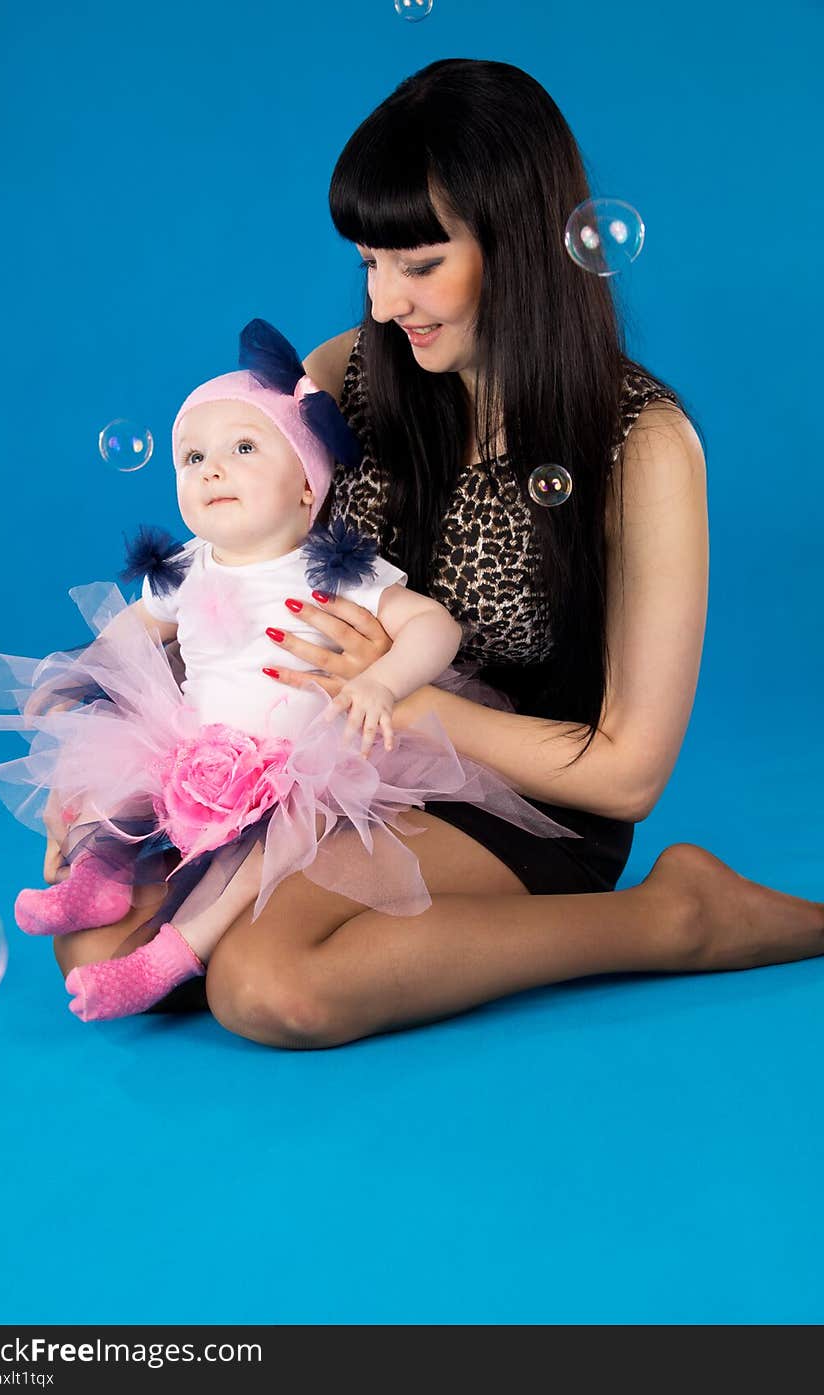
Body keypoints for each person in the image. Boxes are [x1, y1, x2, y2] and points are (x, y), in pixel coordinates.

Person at [56, 58, 822, 1048]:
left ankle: (674, 918)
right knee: (100, 949)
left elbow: (627, 773)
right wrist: (111, 769)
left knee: (269, 988)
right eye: (371, 263)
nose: (385, 304)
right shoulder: (341, 381)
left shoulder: (637, 443)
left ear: (520, 248)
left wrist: (412, 704)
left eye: (420, 266)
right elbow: (228, 568)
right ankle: (317, 909)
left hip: (518, 790)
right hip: (300, 760)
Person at [0, 317, 576, 1021]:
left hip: (302, 768)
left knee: (253, 868)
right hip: (199, 752)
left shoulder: (333, 568)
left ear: (309, 489)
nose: (210, 467)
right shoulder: (187, 568)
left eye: (242, 448)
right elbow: (128, 633)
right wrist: (79, 677)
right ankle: (98, 876)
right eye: (191, 457)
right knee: (115, 766)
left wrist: (382, 680)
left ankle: (175, 953)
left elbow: (434, 625)